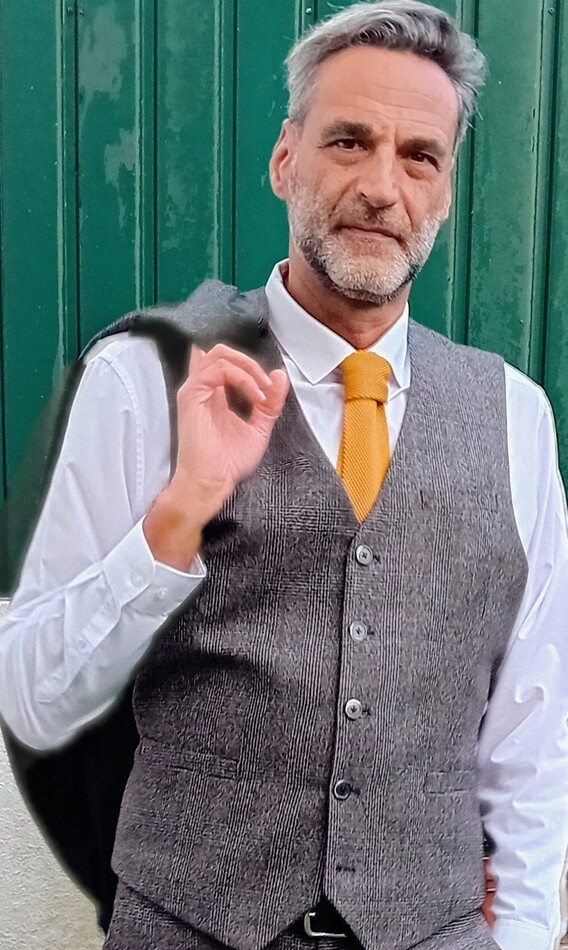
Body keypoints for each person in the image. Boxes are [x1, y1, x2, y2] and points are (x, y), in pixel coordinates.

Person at [1, 1, 568, 948]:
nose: (381, 187)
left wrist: (524, 937)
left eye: (419, 157)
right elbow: (31, 692)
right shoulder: (144, 377)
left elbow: (531, 733)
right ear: (283, 161)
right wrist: (176, 518)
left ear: (445, 191)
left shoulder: (515, 415)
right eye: (349, 141)